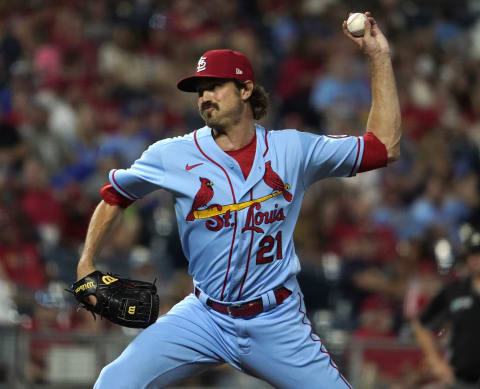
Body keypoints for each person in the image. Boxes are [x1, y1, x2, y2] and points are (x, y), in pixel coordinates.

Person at [77, 12, 401, 389]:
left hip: (276, 319)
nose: (205, 97)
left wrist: (379, 58)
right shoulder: (172, 154)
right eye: (200, 90)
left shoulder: (292, 149)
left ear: (246, 89)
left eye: (216, 86)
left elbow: (383, 148)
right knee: (113, 381)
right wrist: (86, 261)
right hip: (204, 316)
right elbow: (115, 196)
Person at [411, 231, 480, 389]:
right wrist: (436, 362)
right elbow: (421, 325)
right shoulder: (454, 292)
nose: (476, 258)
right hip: (463, 380)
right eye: (472, 254)